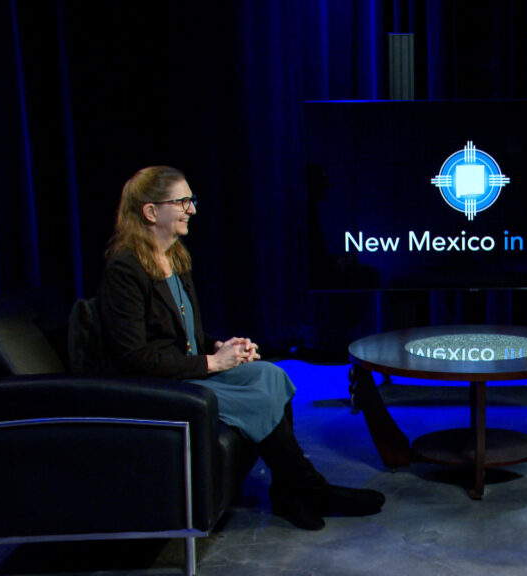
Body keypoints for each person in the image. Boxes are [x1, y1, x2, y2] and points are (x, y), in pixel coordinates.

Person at [97, 166, 384, 531]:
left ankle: (287, 495)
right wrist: (212, 362)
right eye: (182, 202)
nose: (192, 210)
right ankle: (311, 489)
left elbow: (182, 334)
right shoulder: (125, 269)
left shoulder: (176, 257)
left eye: (192, 200)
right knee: (260, 399)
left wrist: (219, 346)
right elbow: (133, 356)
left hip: (183, 369)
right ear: (151, 212)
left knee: (272, 374)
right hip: (158, 386)